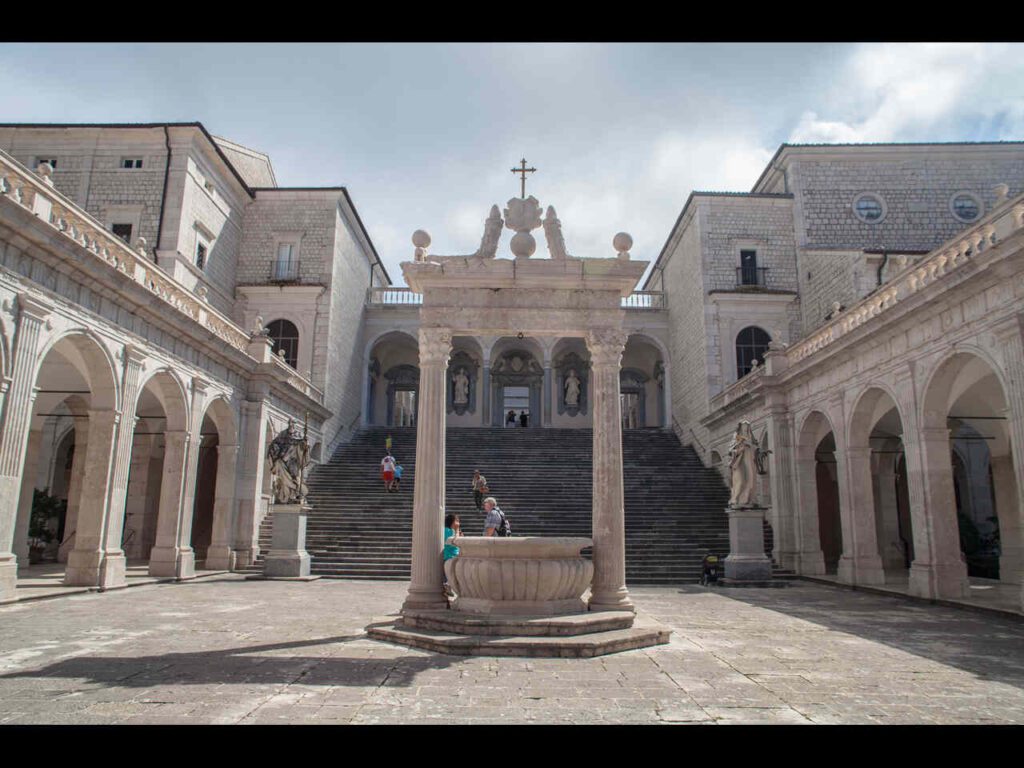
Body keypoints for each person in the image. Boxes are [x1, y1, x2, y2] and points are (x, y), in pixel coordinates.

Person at [442, 513, 462, 597]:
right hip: (451, 555)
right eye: (457, 520)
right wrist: (457, 531)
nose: (458, 523)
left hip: (450, 555)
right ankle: (448, 585)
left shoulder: (447, 530)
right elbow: (454, 542)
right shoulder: (449, 530)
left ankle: (448, 586)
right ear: (452, 522)